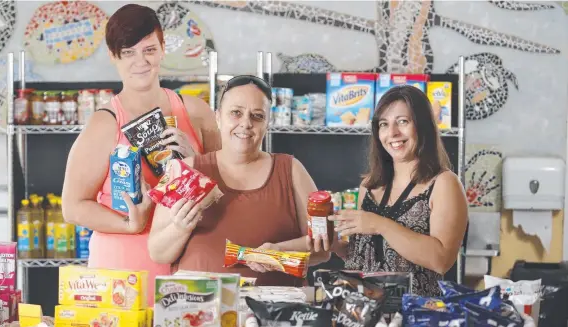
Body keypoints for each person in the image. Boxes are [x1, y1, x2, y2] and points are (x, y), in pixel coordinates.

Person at [61, 4, 220, 302]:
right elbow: (72, 206)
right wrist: (129, 224)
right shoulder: (104, 124)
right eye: (128, 52)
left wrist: (194, 161)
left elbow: (227, 183)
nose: (140, 61)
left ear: (162, 50)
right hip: (124, 271)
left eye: (148, 49)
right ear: (113, 57)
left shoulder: (195, 112)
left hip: (190, 264)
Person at [148, 75, 330, 286]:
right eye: (236, 113)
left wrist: (280, 251)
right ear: (218, 117)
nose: (246, 123)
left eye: (257, 116)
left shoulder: (291, 170)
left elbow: (323, 248)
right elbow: (157, 253)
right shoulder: (184, 170)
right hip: (199, 309)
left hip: (274, 312)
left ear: (267, 123)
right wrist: (180, 227)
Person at [312, 85, 468, 296]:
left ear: (422, 126)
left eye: (403, 122)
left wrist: (379, 224)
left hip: (415, 316)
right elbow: (363, 258)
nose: (392, 133)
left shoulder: (443, 183)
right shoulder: (369, 185)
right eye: (384, 124)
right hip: (364, 313)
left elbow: (441, 260)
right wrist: (334, 246)